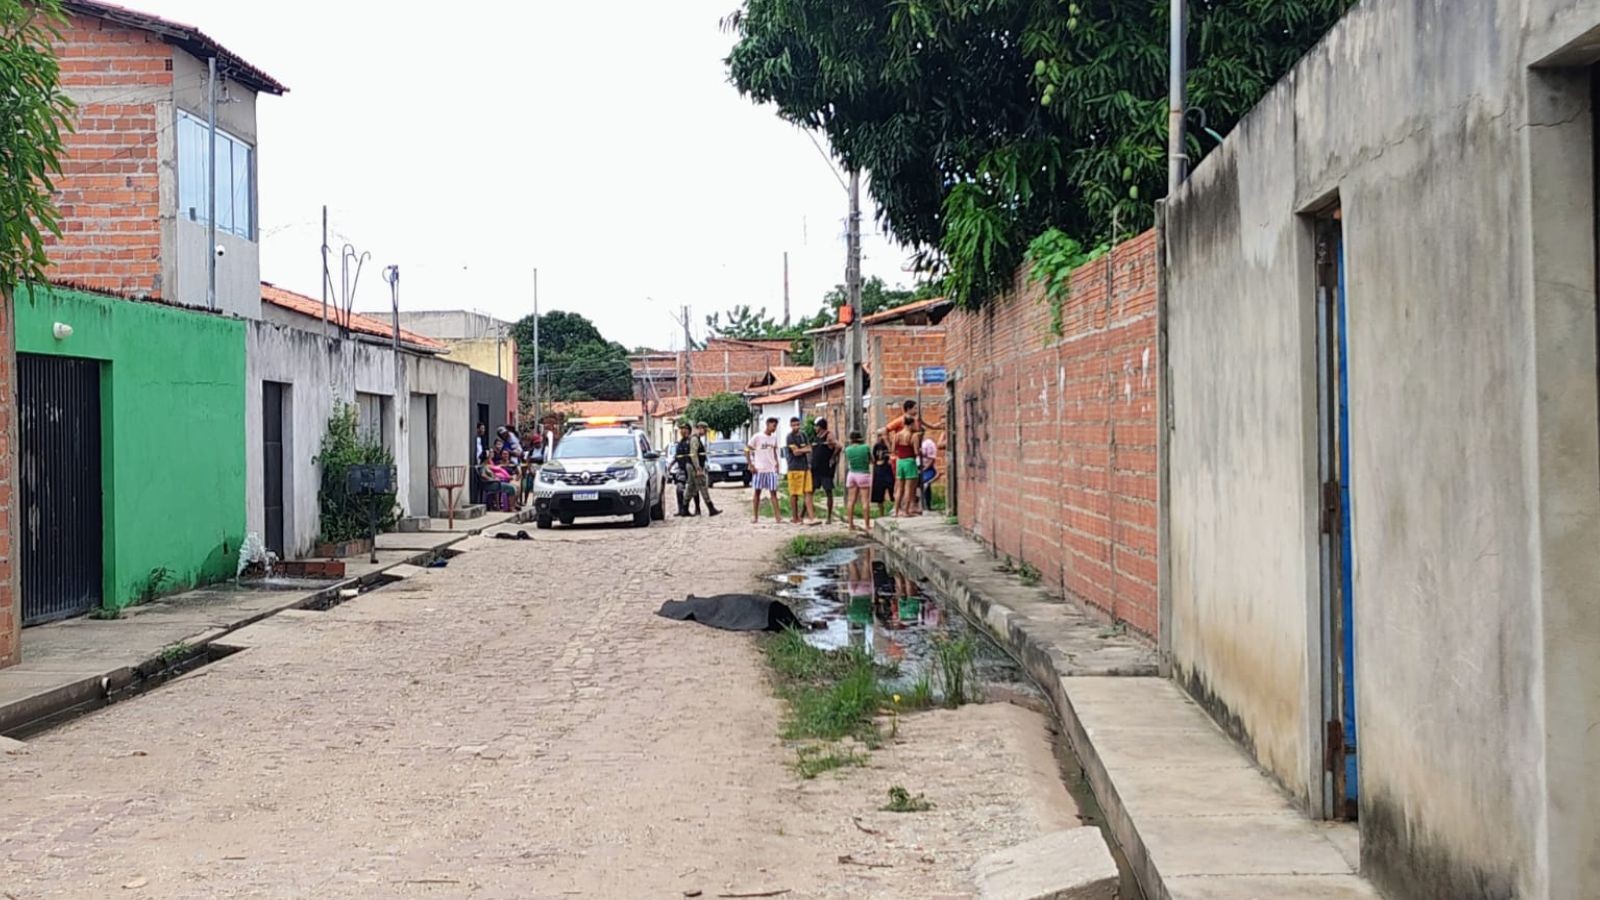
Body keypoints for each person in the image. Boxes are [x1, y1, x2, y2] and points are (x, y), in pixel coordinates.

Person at [746, 417, 783, 524]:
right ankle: (755, 516)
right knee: (757, 493)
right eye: (773, 426)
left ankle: (778, 516)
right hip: (759, 469)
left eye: (776, 426)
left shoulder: (774, 438)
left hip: (771, 468)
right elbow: (747, 449)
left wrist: (777, 464)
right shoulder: (757, 437)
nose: (774, 428)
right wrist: (750, 464)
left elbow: (775, 452)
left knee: (773, 493)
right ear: (767, 424)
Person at [809, 417, 842, 524]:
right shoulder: (817, 437)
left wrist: (832, 457)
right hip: (815, 468)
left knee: (828, 492)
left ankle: (829, 517)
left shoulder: (828, 435)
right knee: (810, 491)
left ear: (821, 426)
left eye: (816, 426)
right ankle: (805, 513)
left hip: (825, 469)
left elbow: (838, 446)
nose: (815, 428)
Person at [784, 417, 816, 524]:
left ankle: (812, 517)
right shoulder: (789, 437)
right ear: (790, 425)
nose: (796, 427)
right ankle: (795, 517)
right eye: (794, 425)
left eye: (797, 424)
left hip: (805, 467)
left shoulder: (803, 435)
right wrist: (804, 450)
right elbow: (795, 453)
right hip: (794, 468)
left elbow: (810, 449)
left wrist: (801, 450)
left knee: (808, 492)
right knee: (794, 494)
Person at [890, 409, 921, 517]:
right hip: (910, 461)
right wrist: (920, 452)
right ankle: (906, 511)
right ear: (911, 424)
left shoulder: (897, 435)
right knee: (909, 488)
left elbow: (893, 450)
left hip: (900, 461)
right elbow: (916, 452)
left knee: (899, 488)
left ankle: (897, 511)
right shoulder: (914, 436)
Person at [843, 430, 874, 532]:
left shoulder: (847, 450)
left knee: (851, 501)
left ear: (851, 439)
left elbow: (849, 461)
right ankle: (867, 525)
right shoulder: (865, 447)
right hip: (863, 474)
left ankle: (850, 524)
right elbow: (871, 460)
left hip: (851, 475)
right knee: (865, 501)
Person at [870, 430, 895, 518]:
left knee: (892, 488)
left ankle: (895, 509)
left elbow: (892, 452)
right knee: (878, 493)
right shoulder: (876, 446)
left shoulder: (889, 444)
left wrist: (887, 442)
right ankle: (881, 514)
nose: (881, 437)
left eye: (883, 435)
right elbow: (874, 458)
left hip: (887, 470)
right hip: (878, 470)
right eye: (879, 435)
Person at [919, 432, 940, 511]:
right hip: (917, 467)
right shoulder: (915, 442)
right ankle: (922, 505)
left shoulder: (928, 443)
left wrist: (925, 468)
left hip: (926, 468)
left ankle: (927, 505)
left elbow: (932, 458)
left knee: (925, 484)